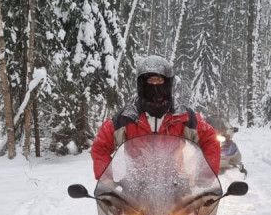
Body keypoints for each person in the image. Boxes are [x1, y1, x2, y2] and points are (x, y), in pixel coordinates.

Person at [91, 55, 220, 179]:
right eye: (150, 80)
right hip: (135, 190)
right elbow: (100, 145)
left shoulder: (183, 116)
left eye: (159, 80)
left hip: (175, 187)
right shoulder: (126, 117)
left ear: (168, 83)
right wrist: (106, 180)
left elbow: (210, 139)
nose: (155, 85)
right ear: (142, 84)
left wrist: (206, 176)